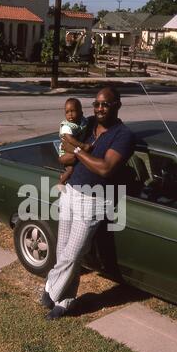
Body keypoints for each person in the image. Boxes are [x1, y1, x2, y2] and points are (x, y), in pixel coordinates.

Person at [41, 87, 135, 320]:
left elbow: (105, 168)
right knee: (62, 250)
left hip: (93, 200)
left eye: (105, 104)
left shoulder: (122, 135)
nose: (100, 109)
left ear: (118, 105)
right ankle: (65, 302)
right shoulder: (87, 123)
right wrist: (77, 150)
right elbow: (63, 153)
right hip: (70, 192)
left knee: (73, 254)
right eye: (97, 104)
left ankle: (49, 289)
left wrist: (78, 151)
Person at [58, 98, 91, 185]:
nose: (70, 115)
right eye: (67, 112)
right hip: (64, 151)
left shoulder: (83, 121)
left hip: (74, 149)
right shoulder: (67, 126)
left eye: (73, 111)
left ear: (81, 113)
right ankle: (61, 182)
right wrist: (83, 146)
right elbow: (70, 139)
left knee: (74, 166)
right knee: (70, 169)